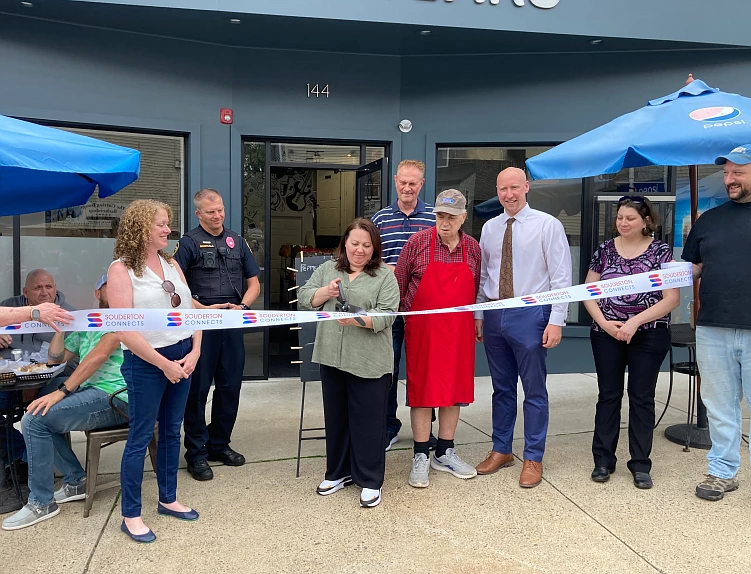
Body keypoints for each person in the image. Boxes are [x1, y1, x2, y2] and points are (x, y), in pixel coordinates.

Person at [2, 274, 130, 530]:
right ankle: (75, 481)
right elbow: (55, 360)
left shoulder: (123, 317)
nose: (116, 291)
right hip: (95, 392)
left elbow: (98, 356)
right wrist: (58, 328)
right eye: (109, 287)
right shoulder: (87, 323)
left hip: (118, 396)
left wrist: (61, 391)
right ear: (98, 293)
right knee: (39, 413)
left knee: (35, 419)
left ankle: (42, 502)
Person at [108, 199, 203, 543]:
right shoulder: (121, 270)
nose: (168, 229)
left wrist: (195, 351)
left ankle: (168, 498)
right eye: (161, 224)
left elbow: (191, 309)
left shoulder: (172, 264)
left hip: (182, 356)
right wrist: (164, 365)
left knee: (172, 432)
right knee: (140, 437)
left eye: (168, 223)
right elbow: (124, 330)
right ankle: (131, 515)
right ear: (141, 227)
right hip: (147, 363)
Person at [474, 167, 572, 488]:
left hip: (531, 314)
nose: (509, 195)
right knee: (501, 388)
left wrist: (556, 320)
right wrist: (479, 313)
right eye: (503, 189)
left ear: (526, 187)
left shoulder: (548, 225)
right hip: (494, 314)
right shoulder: (489, 227)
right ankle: (501, 449)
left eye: (514, 187)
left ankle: (533, 456)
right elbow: (486, 275)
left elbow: (561, 277)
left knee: (533, 389)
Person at [298, 218, 399, 508]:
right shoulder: (328, 269)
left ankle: (369, 480)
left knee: (368, 422)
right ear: (345, 243)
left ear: (374, 248)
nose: (360, 250)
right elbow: (305, 298)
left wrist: (358, 319)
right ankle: (338, 472)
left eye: (367, 245)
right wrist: (325, 293)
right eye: (355, 243)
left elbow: (388, 314)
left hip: (369, 361)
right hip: (332, 357)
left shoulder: (384, 276)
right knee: (337, 418)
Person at [583, 197, 678, 490]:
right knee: (608, 395)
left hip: (649, 333)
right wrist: (603, 323)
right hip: (606, 333)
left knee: (641, 397)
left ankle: (640, 464)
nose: (623, 223)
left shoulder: (662, 252)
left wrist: (635, 322)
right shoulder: (605, 250)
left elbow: (671, 298)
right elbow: (588, 291)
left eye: (631, 219)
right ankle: (602, 461)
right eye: (620, 218)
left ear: (646, 221)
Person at [394, 189, 481, 488]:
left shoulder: (473, 249)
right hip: (423, 330)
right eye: (440, 216)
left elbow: (475, 288)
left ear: (463, 218)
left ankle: (445, 451)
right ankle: (420, 454)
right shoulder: (417, 243)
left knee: (454, 387)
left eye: (451, 217)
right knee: (422, 389)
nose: (444, 223)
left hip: (458, 330)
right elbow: (399, 285)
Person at [173, 189, 261, 481]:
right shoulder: (188, 243)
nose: (218, 216)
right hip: (201, 327)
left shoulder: (237, 241)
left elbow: (254, 283)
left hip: (232, 324)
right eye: (211, 212)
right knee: (197, 392)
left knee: (230, 388)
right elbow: (176, 290)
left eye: (221, 210)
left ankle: (219, 444)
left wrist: (243, 306)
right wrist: (204, 309)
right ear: (199, 213)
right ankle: (196, 453)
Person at [683, 145, 751, 501]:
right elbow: (693, 267)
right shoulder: (708, 220)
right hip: (712, 326)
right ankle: (722, 472)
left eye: (737, 172)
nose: (729, 179)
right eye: (725, 173)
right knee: (720, 405)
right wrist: (653, 277)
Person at [371, 160, 436, 451]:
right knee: (389, 368)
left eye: (413, 183)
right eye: (403, 182)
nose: (407, 188)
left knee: (426, 370)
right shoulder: (380, 219)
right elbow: (368, 261)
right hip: (391, 309)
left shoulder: (436, 218)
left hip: (426, 309)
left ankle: (426, 431)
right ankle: (387, 426)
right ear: (395, 181)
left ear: (421, 184)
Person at [0, 280, 74, 492]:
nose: (44, 292)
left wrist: (37, 382)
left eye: (48, 287)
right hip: (8, 381)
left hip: (50, 383)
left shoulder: (68, 314)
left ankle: (34, 463)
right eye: (37, 288)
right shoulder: (9, 308)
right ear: (25, 293)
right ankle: (22, 452)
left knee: (37, 414)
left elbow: (71, 361)